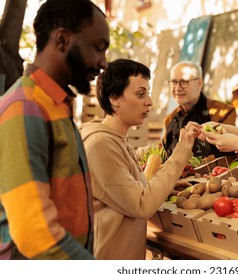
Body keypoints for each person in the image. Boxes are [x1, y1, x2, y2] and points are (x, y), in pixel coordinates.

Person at [0, 0, 110, 260]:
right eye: (98, 48)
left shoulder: (55, 105)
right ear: (62, 40)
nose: (103, 62)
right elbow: (34, 233)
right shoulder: (26, 107)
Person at [78, 59, 200, 260]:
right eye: (141, 94)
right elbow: (142, 205)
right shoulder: (102, 144)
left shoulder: (114, 138)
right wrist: (182, 151)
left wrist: (169, 183)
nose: (149, 101)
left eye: (148, 93)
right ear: (115, 98)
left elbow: (129, 190)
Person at [163, 61, 237, 157]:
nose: (177, 88)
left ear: (199, 83)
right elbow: (164, 151)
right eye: (173, 82)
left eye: (184, 82)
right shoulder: (169, 119)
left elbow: (228, 153)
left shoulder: (223, 112)